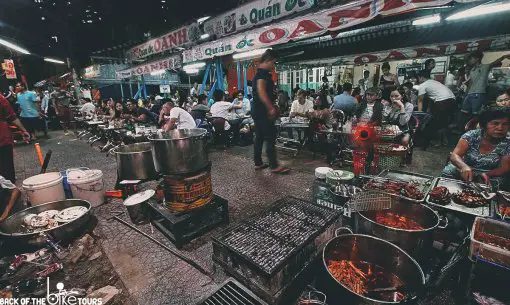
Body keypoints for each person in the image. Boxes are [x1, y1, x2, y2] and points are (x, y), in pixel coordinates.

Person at [442, 108, 510, 188]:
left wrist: (485, 174)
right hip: (464, 167)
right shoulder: (472, 135)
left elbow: (504, 168)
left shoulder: (507, 143)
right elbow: (455, 155)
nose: (500, 128)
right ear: (484, 125)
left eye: (505, 124)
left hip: (490, 174)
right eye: (495, 123)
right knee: (449, 171)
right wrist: (463, 166)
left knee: (493, 186)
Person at [252, 49, 289, 174]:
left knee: (259, 137)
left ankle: (258, 163)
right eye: (273, 62)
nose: (274, 66)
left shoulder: (260, 74)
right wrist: (271, 107)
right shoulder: (262, 75)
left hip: (257, 110)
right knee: (270, 136)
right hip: (263, 111)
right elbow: (261, 92)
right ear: (267, 60)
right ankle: (274, 166)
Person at [462, 51, 510, 117]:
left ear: (477, 59)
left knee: (475, 113)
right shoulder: (472, 70)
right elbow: (470, 83)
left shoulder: (485, 67)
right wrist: (466, 93)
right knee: (464, 112)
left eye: (471, 58)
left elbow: (494, 62)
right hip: (470, 94)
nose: (469, 60)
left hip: (478, 93)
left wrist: (503, 57)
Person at [417, 70, 456, 145]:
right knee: (444, 121)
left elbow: (420, 101)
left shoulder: (423, 85)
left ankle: (438, 141)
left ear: (421, 77)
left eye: (418, 78)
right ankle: (444, 140)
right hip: (452, 100)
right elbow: (433, 98)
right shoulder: (434, 82)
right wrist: (428, 109)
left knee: (436, 122)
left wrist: (420, 116)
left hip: (442, 102)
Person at [0, 94, 30, 184]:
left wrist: (24, 131)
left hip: (3, 138)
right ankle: (11, 193)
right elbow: (12, 117)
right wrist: (24, 130)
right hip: (3, 138)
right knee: (7, 171)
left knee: (6, 171)